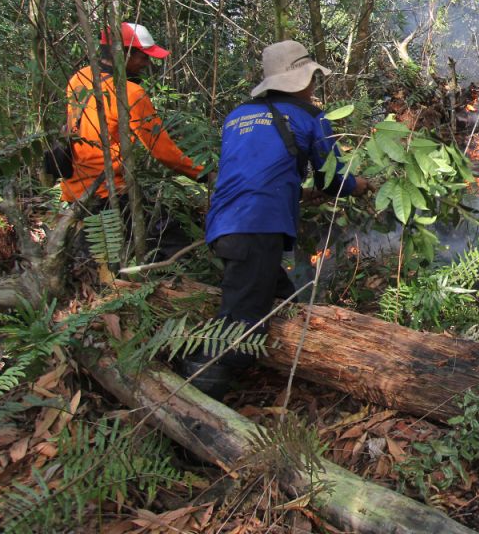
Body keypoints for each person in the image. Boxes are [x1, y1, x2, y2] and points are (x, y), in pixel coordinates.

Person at [180, 40, 371, 397]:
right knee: (239, 328)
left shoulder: (236, 116)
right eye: (311, 77)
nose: (314, 84)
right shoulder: (312, 117)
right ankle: (195, 396)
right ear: (299, 81)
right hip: (257, 225)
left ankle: (294, 360)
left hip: (224, 223)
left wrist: (298, 193)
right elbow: (333, 181)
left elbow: (251, 172)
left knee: (281, 301)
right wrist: (360, 185)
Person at [61, 23, 204, 258]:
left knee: (98, 256)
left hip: (75, 189)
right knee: (172, 242)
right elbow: (163, 152)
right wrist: (203, 174)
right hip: (110, 191)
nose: (147, 64)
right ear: (124, 54)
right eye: (143, 57)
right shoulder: (130, 93)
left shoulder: (79, 77)